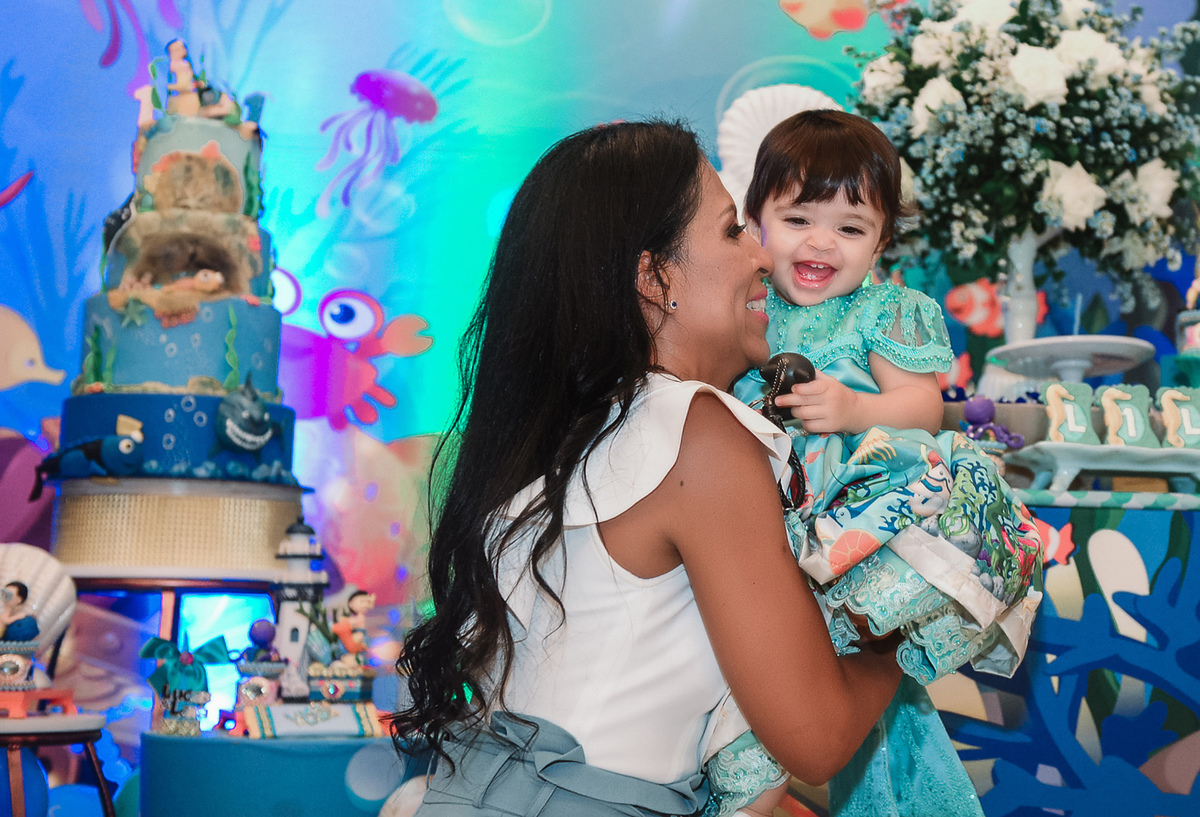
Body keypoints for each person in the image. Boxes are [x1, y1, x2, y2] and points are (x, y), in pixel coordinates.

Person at [392, 120, 907, 817]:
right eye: (732, 230)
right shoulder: (697, 431)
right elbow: (816, 737)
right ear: (655, 276)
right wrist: (906, 620)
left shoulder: (560, 429)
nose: (762, 254)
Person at [730, 109, 1044, 817]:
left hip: (858, 512)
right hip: (763, 515)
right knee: (761, 690)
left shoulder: (885, 311)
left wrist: (854, 409)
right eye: (798, 219)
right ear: (754, 224)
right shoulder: (748, 306)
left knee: (830, 687)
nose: (820, 242)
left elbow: (922, 406)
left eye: (850, 228)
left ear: (882, 241)